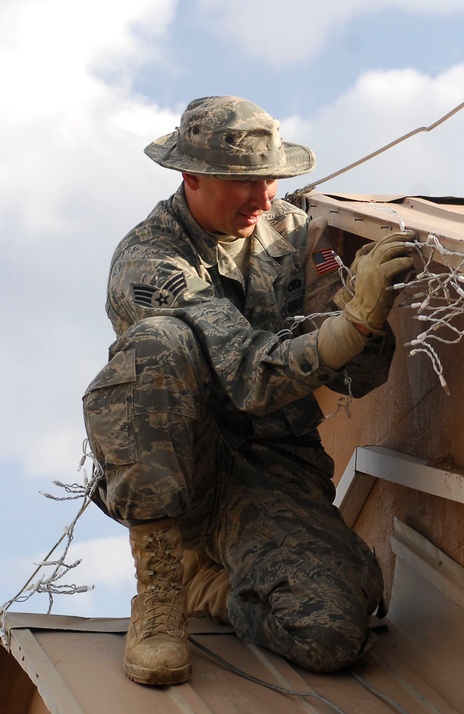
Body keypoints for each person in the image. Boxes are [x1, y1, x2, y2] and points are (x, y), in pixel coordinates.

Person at [82, 96, 414, 686]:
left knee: (335, 630)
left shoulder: (300, 237)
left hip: (274, 473)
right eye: (243, 183)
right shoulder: (149, 261)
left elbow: (358, 379)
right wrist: (350, 325)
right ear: (192, 176)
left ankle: (214, 584)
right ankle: (161, 584)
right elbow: (249, 375)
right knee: (161, 343)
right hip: (188, 475)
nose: (263, 199)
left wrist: (362, 309)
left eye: (271, 180)